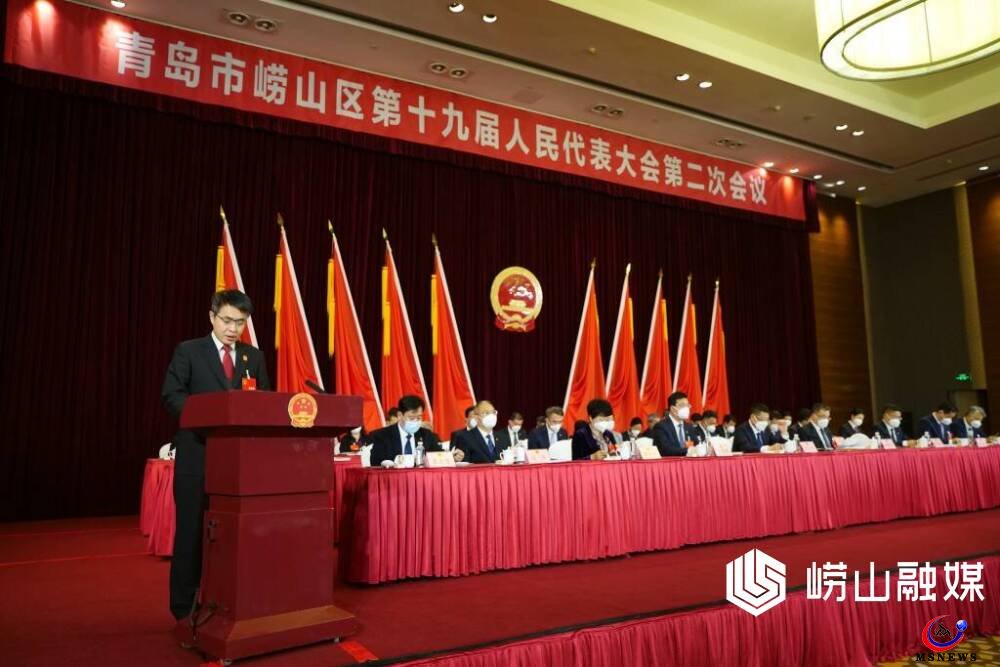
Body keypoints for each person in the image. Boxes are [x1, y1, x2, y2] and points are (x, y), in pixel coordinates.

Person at [161, 290, 271, 621]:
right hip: (197, 457)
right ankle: (184, 608)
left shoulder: (254, 357)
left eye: (240, 322)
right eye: (227, 320)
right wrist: (210, 419)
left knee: (233, 535)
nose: (233, 329)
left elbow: (264, 402)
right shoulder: (189, 351)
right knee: (192, 534)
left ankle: (227, 600)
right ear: (212, 317)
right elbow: (172, 396)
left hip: (237, 464)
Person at [369, 395, 446, 466]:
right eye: (411, 418)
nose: (415, 421)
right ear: (399, 415)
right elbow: (375, 462)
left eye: (419, 418)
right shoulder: (382, 436)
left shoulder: (426, 435)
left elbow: (440, 457)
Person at [652, 392, 691, 456]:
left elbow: (696, 444)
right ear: (673, 409)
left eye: (687, 405)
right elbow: (666, 450)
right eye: (683, 405)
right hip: (670, 462)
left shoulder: (689, 427)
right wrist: (689, 451)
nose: (687, 408)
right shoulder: (661, 427)